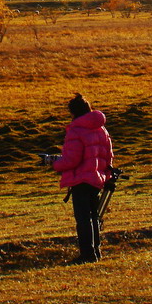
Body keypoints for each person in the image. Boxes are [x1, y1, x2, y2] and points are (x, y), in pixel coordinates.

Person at [48, 93, 114, 264]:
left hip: (81, 180)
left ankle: (87, 254)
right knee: (93, 217)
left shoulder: (76, 131)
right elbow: (108, 156)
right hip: (97, 179)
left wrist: (54, 163)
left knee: (83, 219)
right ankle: (95, 252)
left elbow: (72, 160)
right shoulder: (101, 129)